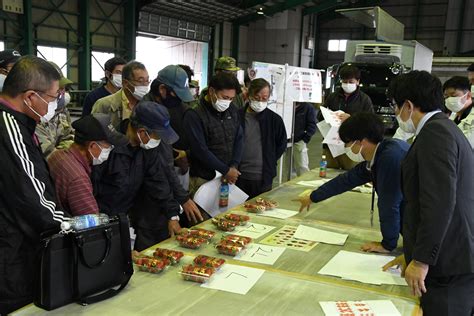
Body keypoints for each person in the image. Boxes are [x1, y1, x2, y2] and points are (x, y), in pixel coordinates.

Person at [383, 71, 474, 314]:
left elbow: (439, 202)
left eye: (395, 106)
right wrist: (410, 253)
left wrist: (421, 259)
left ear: (408, 105)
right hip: (449, 255)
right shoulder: (441, 128)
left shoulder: (435, 134)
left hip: (448, 263)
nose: (396, 114)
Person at [0, 56, 66, 314]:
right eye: (52, 98)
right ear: (29, 97)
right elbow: (34, 198)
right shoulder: (9, 128)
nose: (54, 104)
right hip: (10, 250)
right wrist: (75, 226)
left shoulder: (20, 124)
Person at [295, 113, 409, 253]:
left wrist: (387, 245)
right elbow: (347, 180)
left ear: (362, 141)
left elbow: (389, 205)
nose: (346, 148)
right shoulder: (380, 154)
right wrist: (313, 197)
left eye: (347, 143)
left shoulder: (390, 158)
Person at [92, 101, 183, 251]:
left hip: (126, 219)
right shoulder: (108, 149)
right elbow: (92, 189)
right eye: (157, 135)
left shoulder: (147, 150)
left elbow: (158, 182)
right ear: (142, 132)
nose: (159, 141)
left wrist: (172, 215)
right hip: (100, 221)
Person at [48, 113, 127, 216]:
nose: (110, 151)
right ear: (92, 146)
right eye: (108, 147)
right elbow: (92, 223)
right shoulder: (78, 178)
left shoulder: (58, 155)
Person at [183, 72, 244, 197]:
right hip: (204, 179)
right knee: (204, 216)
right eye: (225, 97)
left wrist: (234, 166)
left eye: (231, 99)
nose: (228, 102)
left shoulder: (232, 110)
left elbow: (239, 138)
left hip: (228, 176)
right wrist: (225, 170)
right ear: (211, 91)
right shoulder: (194, 114)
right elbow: (200, 150)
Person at [237, 78, 287, 199]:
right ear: (249, 95)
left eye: (264, 98)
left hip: (263, 176)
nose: (260, 101)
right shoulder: (237, 116)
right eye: (256, 97)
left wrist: (270, 159)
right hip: (238, 176)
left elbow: (281, 144)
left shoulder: (274, 120)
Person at [318, 64, 374, 170]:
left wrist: (351, 118)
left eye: (351, 82)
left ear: (358, 81)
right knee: (328, 174)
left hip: (352, 146)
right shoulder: (333, 97)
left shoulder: (364, 100)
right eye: (344, 81)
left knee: (350, 175)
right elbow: (319, 116)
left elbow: (370, 123)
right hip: (331, 146)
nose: (347, 84)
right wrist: (330, 115)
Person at [92, 61, 149, 128]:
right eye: (140, 81)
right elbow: (93, 132)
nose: (145, 85)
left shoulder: (149, 106)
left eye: (147, 81)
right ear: (125, 83)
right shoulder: (104, 105)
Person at [36, 61, 75, 157]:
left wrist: (67, 152)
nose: (62, 92)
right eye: (58, 88)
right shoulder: (34, 114)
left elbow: (68, 135)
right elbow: (46, 152)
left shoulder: (62, 111)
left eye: (63, 88)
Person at [443, 76, 474, 148]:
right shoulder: (453, 116)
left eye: (453, 95)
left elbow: (466, 143)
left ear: (468, 95)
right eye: (446, 97)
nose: (449, 99)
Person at [292, 102, 317, 176]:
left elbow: (312, 125)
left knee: (302, 166)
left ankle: (303, 184)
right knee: (288, 167)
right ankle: (290, 185)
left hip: (300, 140)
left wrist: (305, 139)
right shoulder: (287, 104)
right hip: (287, 140)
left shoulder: (308, 107)